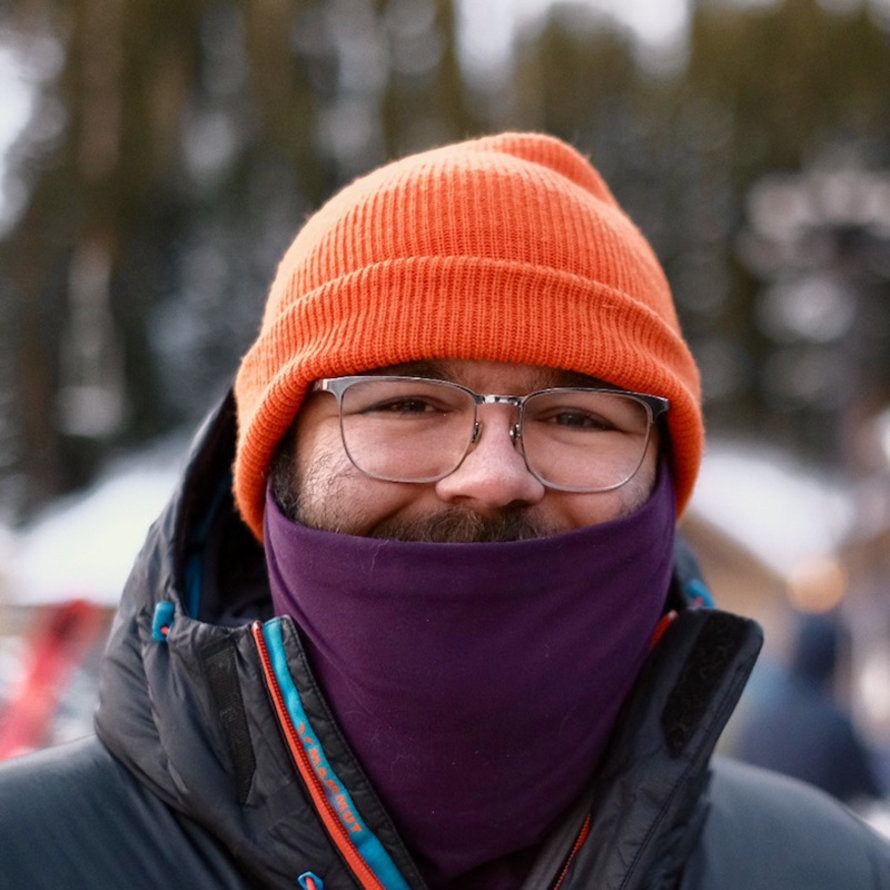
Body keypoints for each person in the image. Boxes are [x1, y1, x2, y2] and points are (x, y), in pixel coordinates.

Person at [1, 132, 888, 890]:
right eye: (406, 405)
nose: (492, 476)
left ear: (664, 487)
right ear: (273, 471)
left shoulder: (829, 872)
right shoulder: (29, 857)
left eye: (578, 417)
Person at [735, 610, 884, 806]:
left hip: (758, 828)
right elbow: (871, 789)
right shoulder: (836, 726)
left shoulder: (757, 721)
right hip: (816, 832)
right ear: (832, 661)